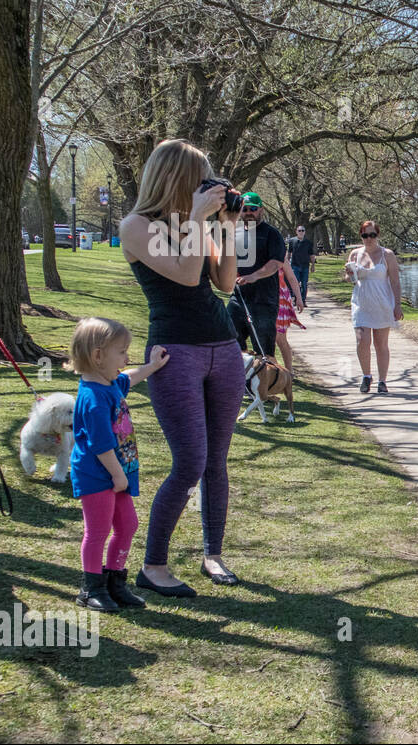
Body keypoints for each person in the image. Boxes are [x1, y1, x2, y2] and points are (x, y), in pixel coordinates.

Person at [117, 137, 244, 595]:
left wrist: (226, 226)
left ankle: (213, 555)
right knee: (190, 461)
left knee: (217, 462)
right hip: (174, 353)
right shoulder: (136, 226)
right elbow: (187, 276)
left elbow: (225, 283)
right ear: (175, 178)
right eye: (200, 180)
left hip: (223, 346)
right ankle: (153, 567)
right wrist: (196, 219)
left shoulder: (195, 225)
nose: (208, 188)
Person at [69, 318, 170, 611]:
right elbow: (101, 445)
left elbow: (129, 377)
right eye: (121, 352)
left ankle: (115, 583)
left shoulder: (110, 383)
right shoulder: (93, 398)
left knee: (128, 525)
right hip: (98, 475)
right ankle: (91, 588)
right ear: (98, 356)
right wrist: (117, 475)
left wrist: (151, 367)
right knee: (97, 531)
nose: (126, 358)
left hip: (118, 475)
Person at [344, 220, 402, 393]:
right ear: (361, 236)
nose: (368, 239)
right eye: (365, 235)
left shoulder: (387, 255)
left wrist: (397, 305)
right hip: (361, 302)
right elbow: (350, 279)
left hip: (382, 303)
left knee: (380, 344)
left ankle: (382, 381)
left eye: (372, 235)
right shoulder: (355, 254)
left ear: (378, 235)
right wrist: (349, 275)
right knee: (362, 340)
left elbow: (395, 281)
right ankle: (366, 376)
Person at [226, 192, 287, 358]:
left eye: (253, 208)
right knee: (230, 343)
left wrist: (254, 276)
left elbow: (276, 264)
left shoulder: (271, 234)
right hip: (238, 298)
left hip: (264, 301)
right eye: (244, 209)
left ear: (261, 210)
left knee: (264, 353)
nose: (248, 212)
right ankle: (242, 380)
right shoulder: (234, 233)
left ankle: (269, 382)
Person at [275, 265, 306, 374]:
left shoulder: (279, 253)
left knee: (280, 338)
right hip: (259, 299)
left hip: (280, 299)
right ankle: (271, 371)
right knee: (266, 338)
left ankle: (289, 371)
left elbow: (292, 278)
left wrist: (299, 298)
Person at [285, 224, 316, 304]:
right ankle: (296, 299)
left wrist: (313, 265)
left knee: (304, 284)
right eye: (299, 230)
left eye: (302, 230)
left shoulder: (308, 243)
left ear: (305, 232)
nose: (301, 232)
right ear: (296, 232)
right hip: (295, 265)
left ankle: (303, 300)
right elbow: (289, 253)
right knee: (296, 283)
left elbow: (312, 255)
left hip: (305, 266)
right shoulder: (292, 241)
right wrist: (287, 264)